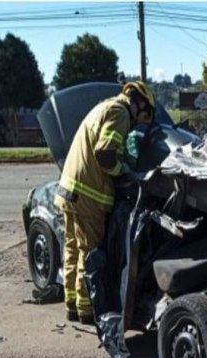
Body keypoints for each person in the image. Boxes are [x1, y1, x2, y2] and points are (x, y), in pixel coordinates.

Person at [54, 81, 156, 324]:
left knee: (73, 248)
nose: (143, 121)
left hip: (69, 189)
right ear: (139, 103)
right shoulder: (120, 113)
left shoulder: (104, 107)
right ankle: (88, 309)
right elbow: (105, 154)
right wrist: (126, 174)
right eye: (146, 114)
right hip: (89, 195)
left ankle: (72, 304)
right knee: (90, 253)